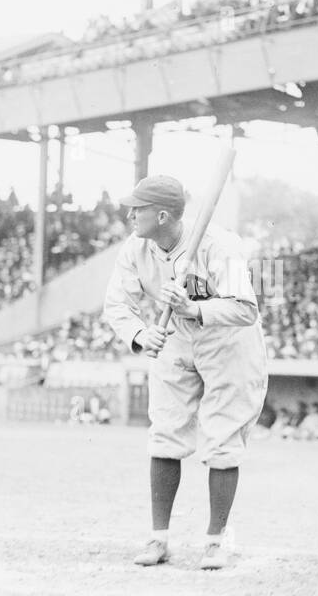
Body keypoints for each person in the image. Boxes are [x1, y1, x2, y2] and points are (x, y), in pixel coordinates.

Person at [103, 174, 268, 570]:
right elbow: (116, 305)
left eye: (137, 209)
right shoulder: (135, 249)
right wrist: (142, 334)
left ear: (161, 215)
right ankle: (159, 539)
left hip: (228, 341)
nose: (130, 215)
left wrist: (195, 307)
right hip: (173, 338)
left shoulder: (218, 244)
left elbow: (246, 309)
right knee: (165, 432)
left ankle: (215, 542)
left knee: (222, 438)